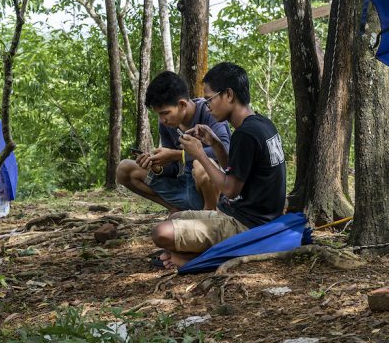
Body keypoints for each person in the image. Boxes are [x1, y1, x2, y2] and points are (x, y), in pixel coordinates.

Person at [152, 62, 287, 269]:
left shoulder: (245, 134)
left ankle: (197, 259)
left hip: (248, 225)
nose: (207, 106)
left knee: (161, 233)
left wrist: (198, 154)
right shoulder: (261, 124)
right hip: (247, 215)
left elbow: (230, 190)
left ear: (229, 95)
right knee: (175, 216)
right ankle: (189, 253)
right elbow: (235, 172)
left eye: (209, 99)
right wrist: (215, 144)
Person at [116, 71, 232, 213]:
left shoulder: (209, 112)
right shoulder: (166, 125)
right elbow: (174, 169)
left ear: (182, 104)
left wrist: (178, 155)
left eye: (165, 113)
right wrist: (157, 166)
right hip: (184, 187)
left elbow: (225, 150)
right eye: (158, 114)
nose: (162, 119)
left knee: (200, 164)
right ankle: (174, 209)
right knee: (124, 169)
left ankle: (211, 213)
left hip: (215, 191)